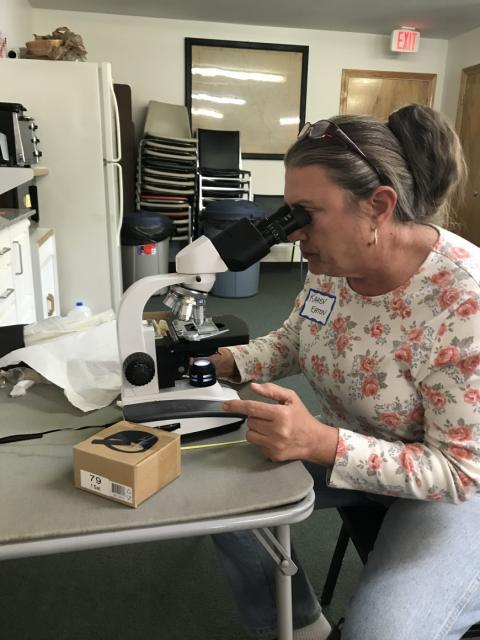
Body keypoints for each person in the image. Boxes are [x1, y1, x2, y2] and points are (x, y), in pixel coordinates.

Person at [208, 104, 480, 640]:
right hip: (354, 449)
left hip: (455, 489)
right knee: (215, 497)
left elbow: (459, 472)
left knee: (381, 633)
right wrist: (222, 361)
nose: (291, 233)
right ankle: (302, 625)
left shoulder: (462, 301)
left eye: (306, 213)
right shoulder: (332, 267)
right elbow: (297, 337)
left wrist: (323, 444)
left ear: (378, 206)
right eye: (287, 213)